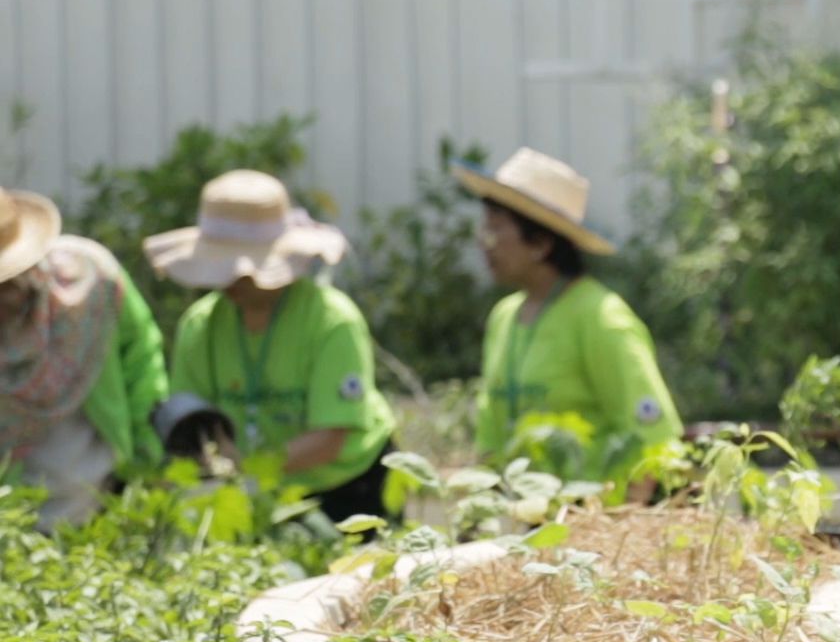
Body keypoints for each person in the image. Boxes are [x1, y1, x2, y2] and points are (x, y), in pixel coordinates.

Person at [147, 170, 396, 523]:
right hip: (255, 488)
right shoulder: (200, 326)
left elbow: (330, 438)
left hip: (347, 485)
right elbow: (195, 421)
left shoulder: (331, 320)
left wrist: (247, 469)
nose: (230, 279)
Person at [455, 148, 682, 479]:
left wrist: (617, 524)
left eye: (496, 229)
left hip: (595, 519)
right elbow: (490, 433)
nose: (484, 243)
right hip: (527, 518)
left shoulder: (600, 317)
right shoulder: (504, 317)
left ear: (541, 244)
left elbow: (652, 439)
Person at [0, 187, 168, 526]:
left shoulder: (93, 284)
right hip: (11, 511)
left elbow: (142, 365)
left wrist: (146, 460)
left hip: (97, 488)